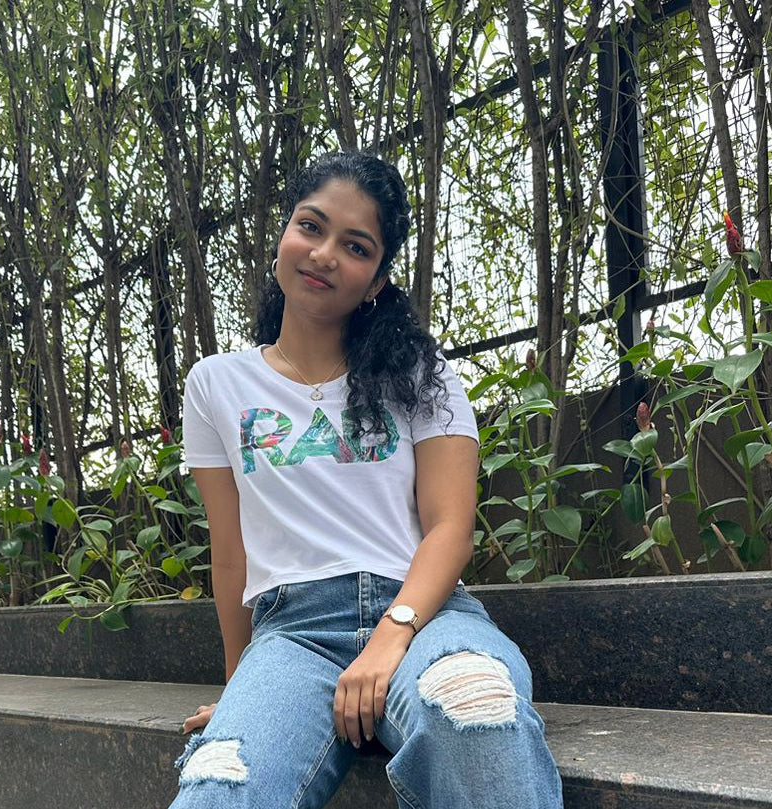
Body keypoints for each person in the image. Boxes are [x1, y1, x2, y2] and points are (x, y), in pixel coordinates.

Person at [168, 150, 564, 809]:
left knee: (472, 709)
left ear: (376, 277)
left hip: (424, 615)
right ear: (283, 234)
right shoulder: (216, 384)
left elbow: (450, 526)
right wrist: (241, 690)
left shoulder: (418, 370)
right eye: (310, 226)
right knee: (223, 783)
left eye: (355, 245)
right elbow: (231, 549)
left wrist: (392, 633)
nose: (324, 254)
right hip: (292, 633)